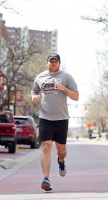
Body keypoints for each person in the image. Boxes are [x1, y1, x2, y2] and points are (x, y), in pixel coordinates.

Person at [31, 53, 79, 191]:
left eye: (55, 61)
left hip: (61, 119)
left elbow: (76, 96)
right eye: (51, 61)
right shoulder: (40, 77)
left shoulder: (66, 77)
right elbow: (33, 91)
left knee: (61, 151)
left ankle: (61, 161)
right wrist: (34, 97)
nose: (53, 63)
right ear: (47, 63)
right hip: (45, 118)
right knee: (46, 147)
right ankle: (46, 178)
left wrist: (64, 88)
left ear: (59, 63)